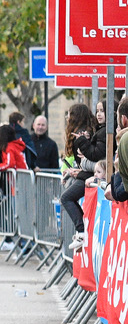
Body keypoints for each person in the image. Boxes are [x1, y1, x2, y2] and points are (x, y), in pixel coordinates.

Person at [58, 103, 102, 252]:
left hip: (89, 176)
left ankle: (82, 231)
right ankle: (81, 231)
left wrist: (78, 171)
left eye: (69, 115)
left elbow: (89, 161)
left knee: (66, 198)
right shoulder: (86, 131)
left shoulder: (81, 134)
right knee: (67, 198)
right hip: (85, 174)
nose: (67, 118)